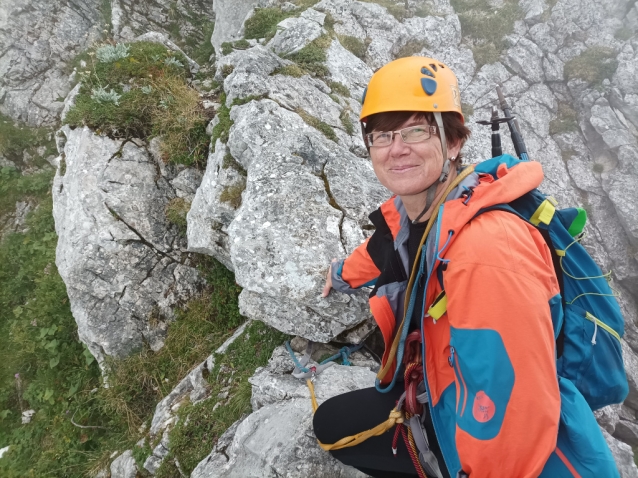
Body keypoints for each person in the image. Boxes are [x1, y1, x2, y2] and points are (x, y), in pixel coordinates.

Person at [313, 56, 619, 478]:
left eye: (416, 130)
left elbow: (515, 415)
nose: (396, 148)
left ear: (453, 143)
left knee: (334, 428)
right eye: (382, 135)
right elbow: (388, 248)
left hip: (499, 439)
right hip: (443, 390)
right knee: (332, 425)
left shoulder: (485, 249)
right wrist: (339, 274)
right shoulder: (423, 210)